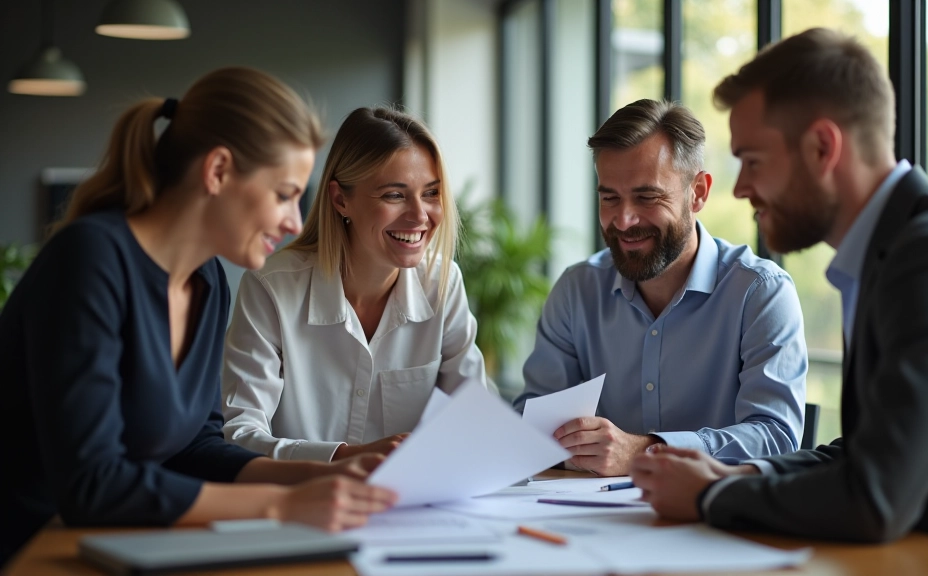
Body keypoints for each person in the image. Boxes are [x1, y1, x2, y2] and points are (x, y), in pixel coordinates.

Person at [630, 28, 928, 561]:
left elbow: (875, 495)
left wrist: (709, 496)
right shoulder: (896, 250)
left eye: (753, 160)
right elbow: (864, 454)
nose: (740, 188)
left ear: (822, 147)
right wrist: (735, 474)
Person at [0, 68, 397, 565]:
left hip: (113, 547)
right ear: (218, 171)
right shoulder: (89, 259)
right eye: (284, 194)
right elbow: (92, 485)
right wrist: (281, 505)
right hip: (30, 551)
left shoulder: (207, 281)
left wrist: (326, 475)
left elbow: (195, 449)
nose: (295, 223)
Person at [513, 99, 807, 477]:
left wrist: (647, 451)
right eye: (609, 198)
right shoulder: (576, 291)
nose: (624, 220)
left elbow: (776, 437)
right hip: (589, 510)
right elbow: (533, 428)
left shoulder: (760, 293)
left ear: (697, 192)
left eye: (647, 197)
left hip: (713, 510)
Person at [221, 106, 487, 463]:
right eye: (395, 195)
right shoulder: (271, 288)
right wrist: (346, 457)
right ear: (340, 199)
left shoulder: (443, 284)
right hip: (298, 495)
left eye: (431, 193)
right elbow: (239, 436)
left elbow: (476, 421)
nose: (420, 216)